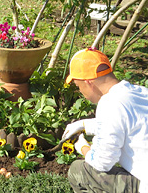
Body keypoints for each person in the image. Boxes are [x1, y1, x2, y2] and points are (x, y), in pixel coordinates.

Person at [61, 47, 148, 193]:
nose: (81, 93)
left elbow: (103, 163)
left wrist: (83, 148)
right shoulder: (140, 92)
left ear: (88, 82)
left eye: (78, 86)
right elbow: (126, 123)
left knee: (80, 170)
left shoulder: (109, 103)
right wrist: (83, 125)